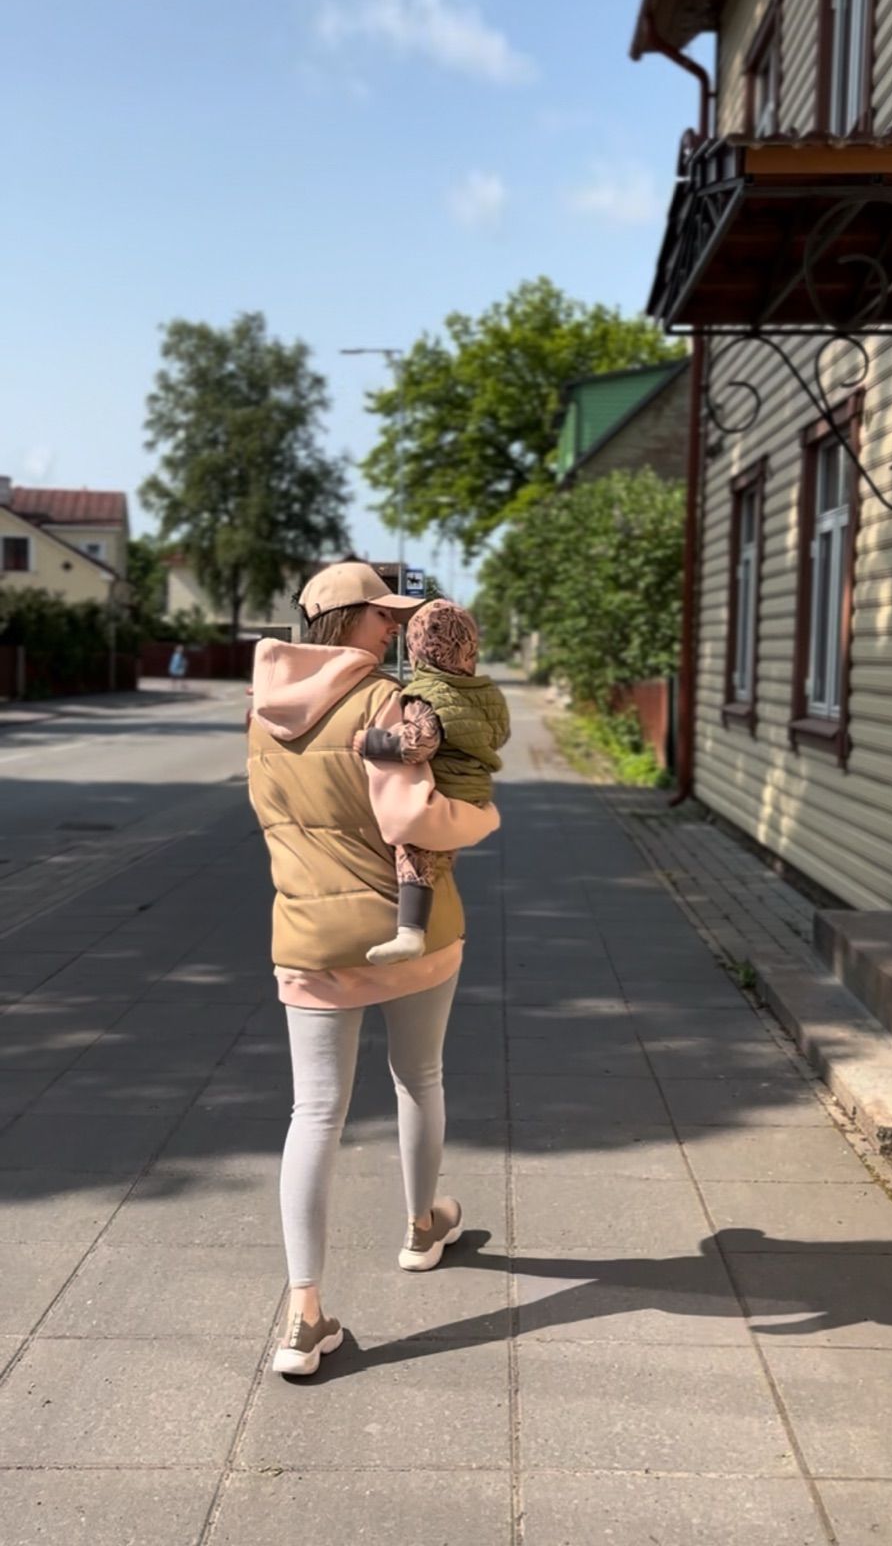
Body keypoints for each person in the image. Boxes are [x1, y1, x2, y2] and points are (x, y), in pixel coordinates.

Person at [246, 560, 500, 1378]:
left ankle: (303, 1314)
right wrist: (483, 816)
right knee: (418, 1076)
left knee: (314, 1113)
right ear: (344, 620)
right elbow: (413, 815)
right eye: (379, 615)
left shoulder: (260, 712)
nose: (391, 627)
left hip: (308, 936)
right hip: (407, 931)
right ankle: (422, 1227)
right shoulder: (381, 701)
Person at [354, 598, 510, 965]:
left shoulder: (427, 694)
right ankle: (441, 923)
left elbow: (417, 745)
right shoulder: (486, 692)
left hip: (447, 788)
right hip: (474, 789)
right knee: (440, 856)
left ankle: (411, 934)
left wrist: (373, 742)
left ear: (417, 648)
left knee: (414, 851)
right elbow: (499, 734)